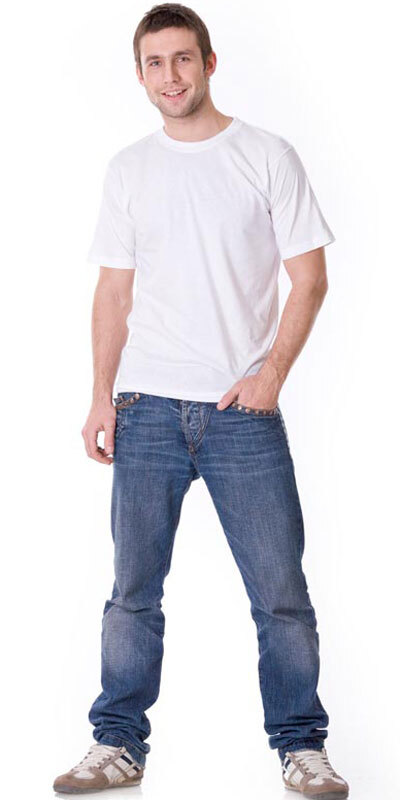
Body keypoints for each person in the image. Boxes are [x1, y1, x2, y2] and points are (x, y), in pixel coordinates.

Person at [53, 4, 349, 798]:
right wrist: (101, 398)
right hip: (146, 407)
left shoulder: (265, 155)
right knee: (132, 595)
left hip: (240, 414)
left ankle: (301, 746)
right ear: (139, 74)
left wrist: (270, 377)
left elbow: (310, 277)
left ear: (209, 63)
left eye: (183, 59)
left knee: (281, 596)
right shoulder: (130, 169)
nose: (171, 76)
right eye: (155, 63)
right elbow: (114, 293)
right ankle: (118, 744)